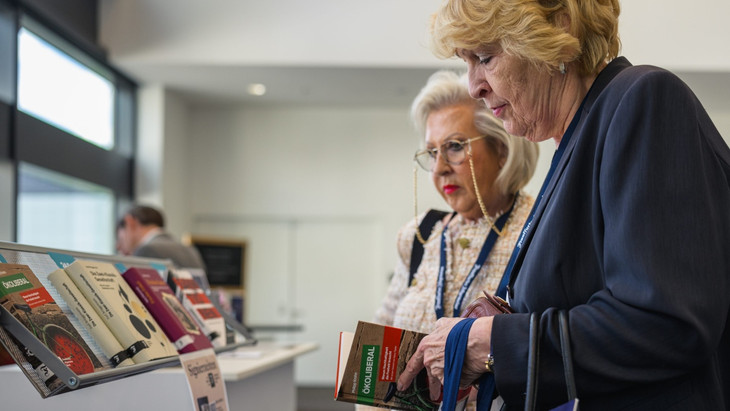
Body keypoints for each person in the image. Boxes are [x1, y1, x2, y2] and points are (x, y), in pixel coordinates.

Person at [397, 1, 730, 410]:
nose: (473, 86)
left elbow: (665, 321)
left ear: (559, 30)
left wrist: (492, 342)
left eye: (484, 58)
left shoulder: (643, 98)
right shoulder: (577, 140)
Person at [374, 70, 538, 335]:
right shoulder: (418, 236)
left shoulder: (538, 232)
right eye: (432, 152)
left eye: (455, 146)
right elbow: (382, 332)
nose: (439, 168)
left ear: (502, 150)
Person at [116, 205, 206, 269]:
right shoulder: (189, 249)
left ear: (130, 222)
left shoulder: (146, 250)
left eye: (120, 239)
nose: (118, 246)